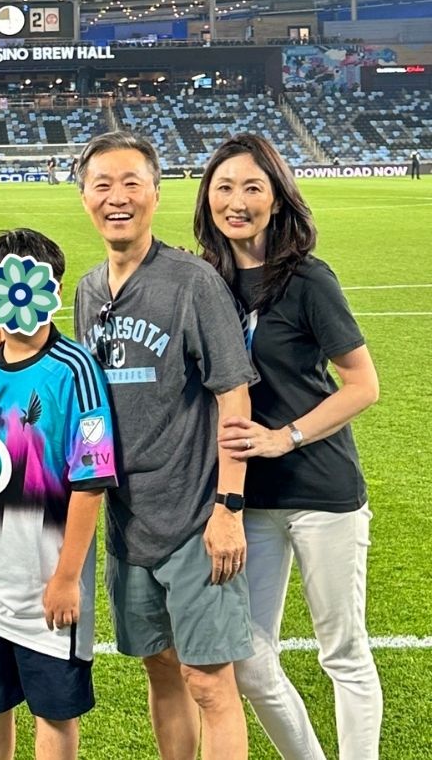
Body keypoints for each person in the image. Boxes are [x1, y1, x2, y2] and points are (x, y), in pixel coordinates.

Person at [194, 133, 382, 760]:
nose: (237, 201)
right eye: (224, 187)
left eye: (252, 187)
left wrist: (286, 435)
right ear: (208, 200)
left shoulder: (307, 280)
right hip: (250, 499)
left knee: (344, 652)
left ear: (276, 198)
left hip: (323, 491)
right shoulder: (207, 283)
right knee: (249, 657)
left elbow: (363, 385)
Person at [72, 131, 256, 760]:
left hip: (196, 521)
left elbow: (235, 397)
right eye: (102, 185)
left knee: (210, 683)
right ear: (83, 197)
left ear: (156, 192)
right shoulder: (89, 289)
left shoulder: (193, 281)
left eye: (131, 183)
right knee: (161, 670)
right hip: (128, 524)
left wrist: (228, 509)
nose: (117, 197)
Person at [0, 229, 117, 760]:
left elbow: (91, 481)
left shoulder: (77, 370)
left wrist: (67, 578)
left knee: (54, 714)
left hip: (46, 581)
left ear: (53, 288)